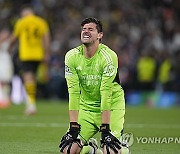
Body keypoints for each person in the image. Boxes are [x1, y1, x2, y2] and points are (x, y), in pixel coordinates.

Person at [59, 17, 129, 154]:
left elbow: (106, 93)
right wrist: (73, 127)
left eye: (90, 29)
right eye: (84, 29)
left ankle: (124, 148)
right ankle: (90, 149)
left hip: (112, 106)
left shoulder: (108, 57)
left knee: (109, 150)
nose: (86, 31)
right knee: (67, 150)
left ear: (100, 35)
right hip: (87, 108)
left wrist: (106, 128)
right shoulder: (71, 56)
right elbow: (73, 92)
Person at [8, 5, 50, 115]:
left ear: (24, 14)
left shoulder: (21, 22)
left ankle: (31, 105)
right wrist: (46, 53)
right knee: (33, 79)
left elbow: (14, 37)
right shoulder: (41, 22)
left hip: (26, 55)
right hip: (38, 54)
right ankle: (31, 103)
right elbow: (46, 38)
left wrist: (9, 47)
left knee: (28, 78)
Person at [0, 27, 13, 108]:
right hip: (1, 61)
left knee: (6, 81)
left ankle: (6, 99)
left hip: (6, 62)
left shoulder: (9, 42)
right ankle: (2, 99)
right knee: (1, 81)